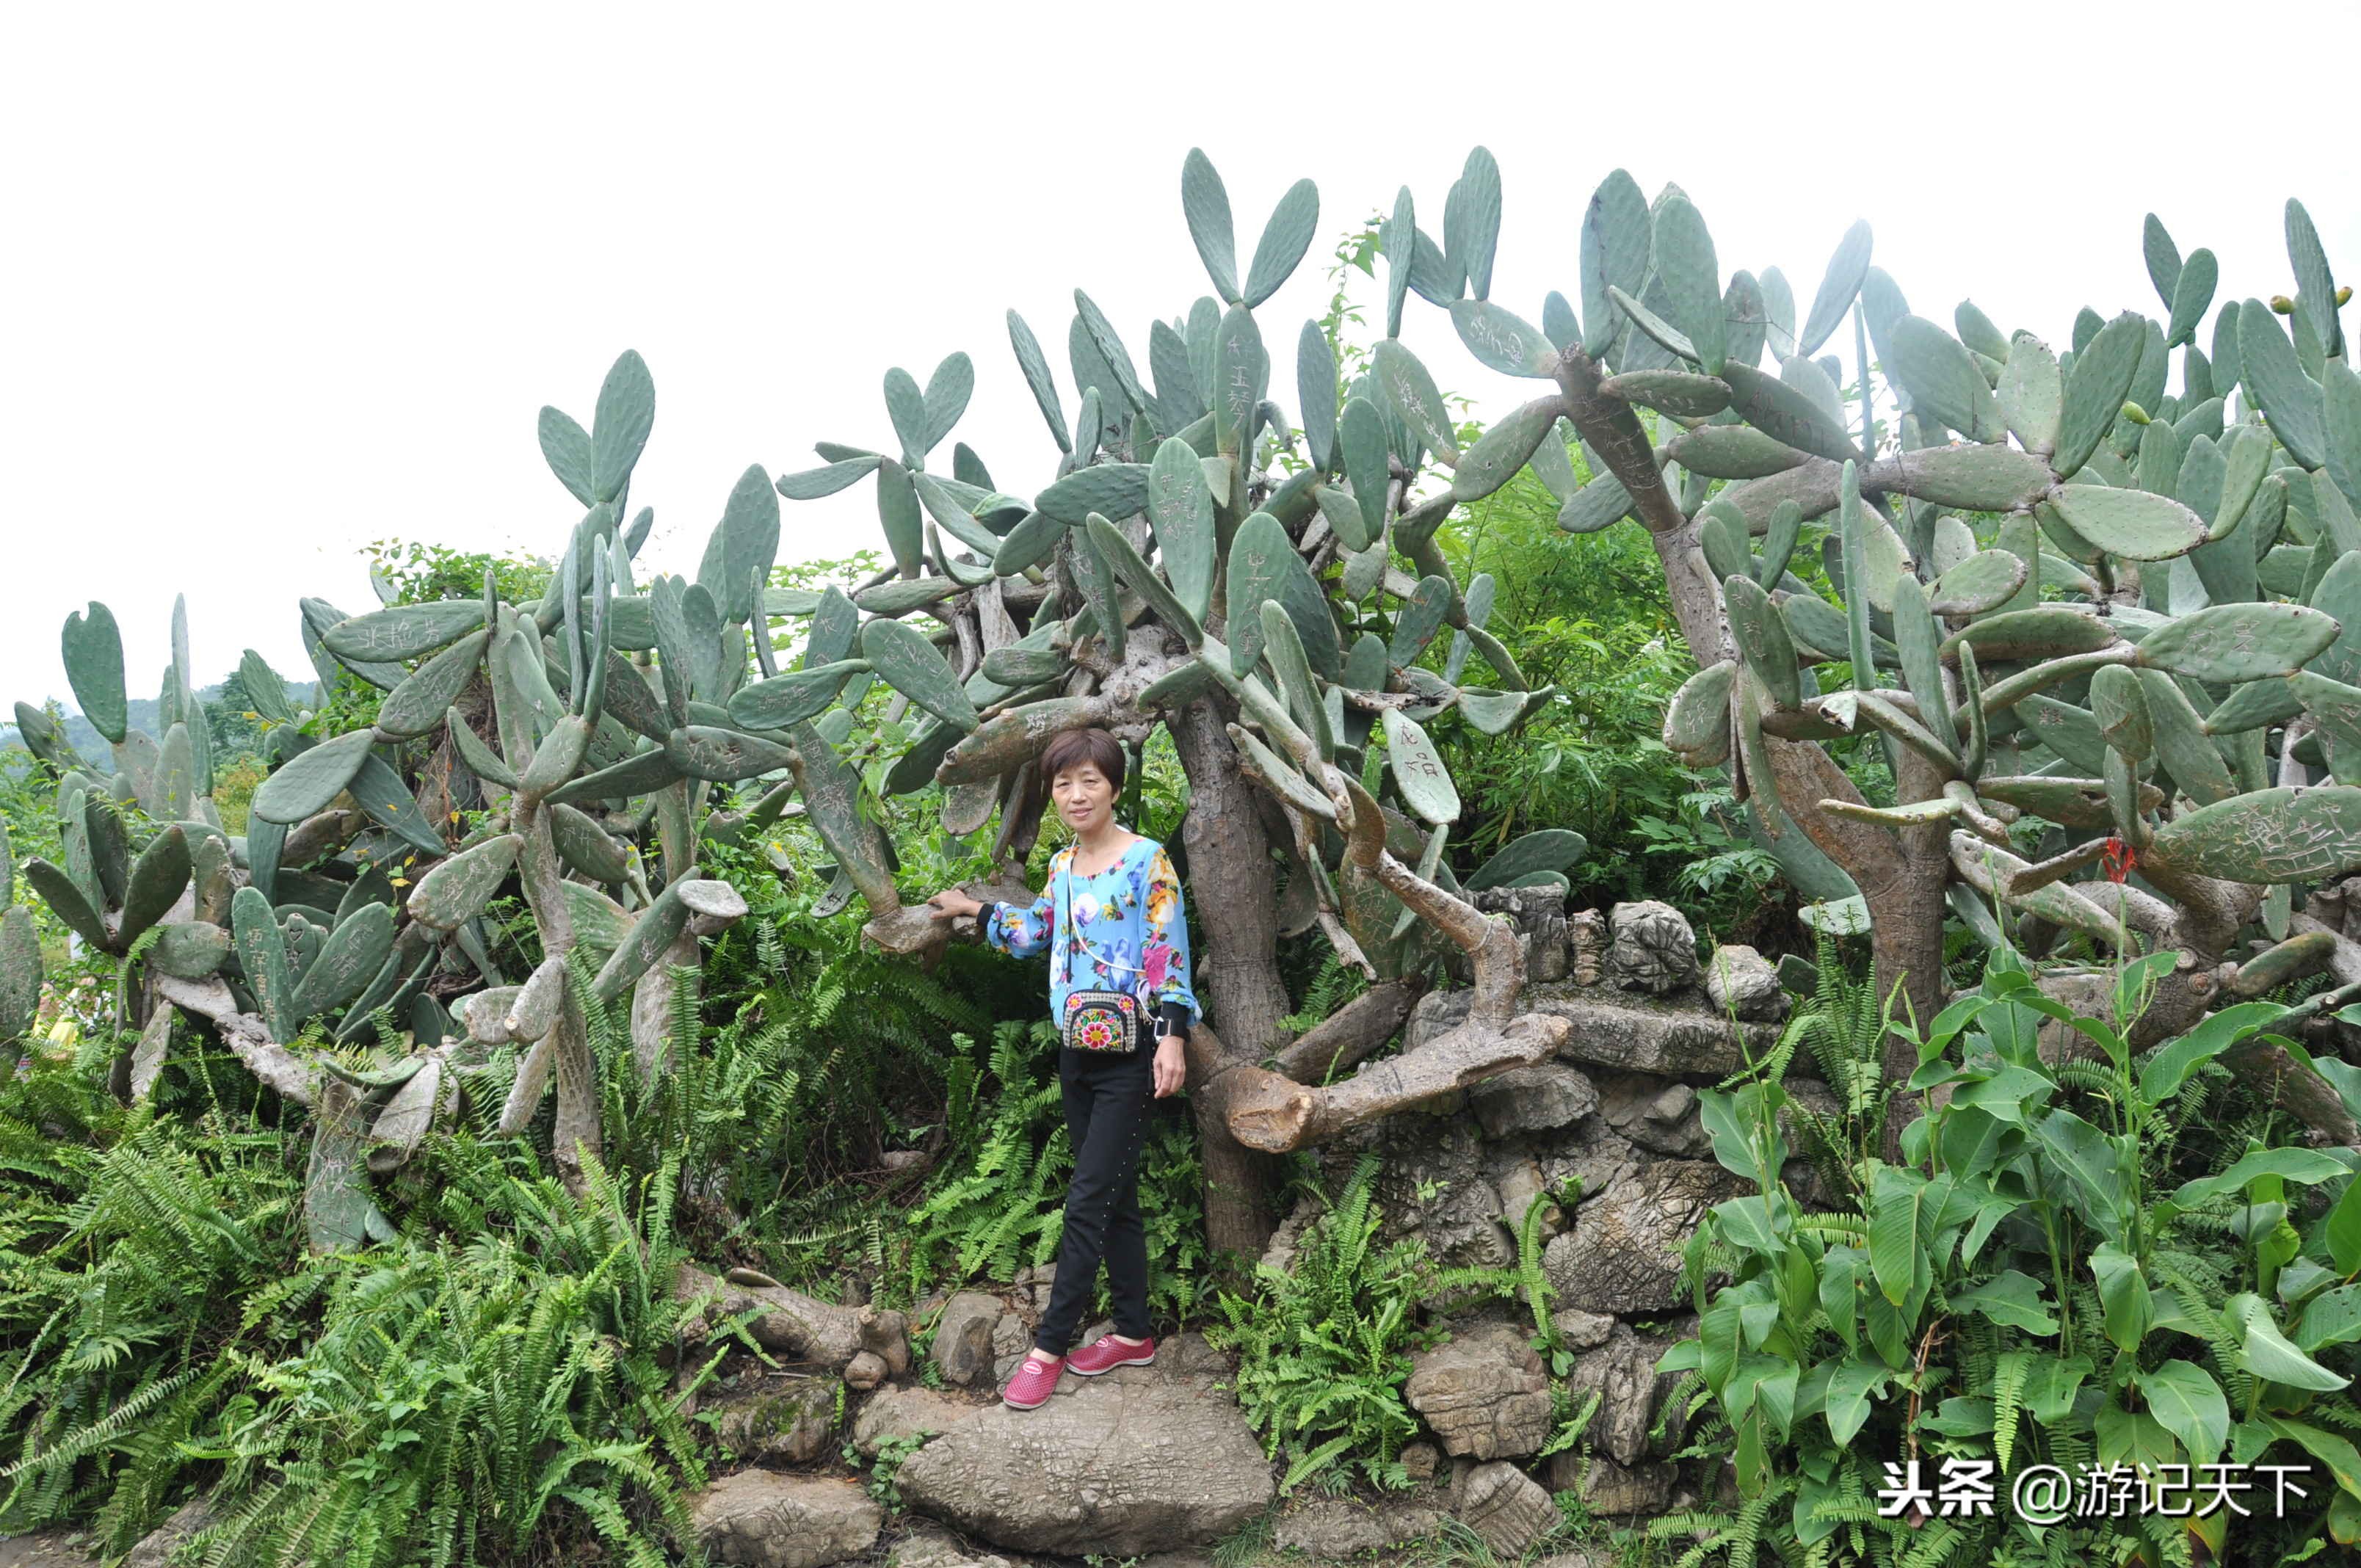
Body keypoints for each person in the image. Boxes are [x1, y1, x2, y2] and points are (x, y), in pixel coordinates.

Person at [927, 727, 1198, 1411]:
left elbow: (1169, 953)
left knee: (1085, 1199)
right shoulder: (1061, 866)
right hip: (1078, 1047)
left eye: (1091, 781)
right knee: (1113, 1200)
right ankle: (1134, 1333)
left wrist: (1172, 1039)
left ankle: (1049, 1348)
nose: (1077, 795)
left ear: (1114, 787)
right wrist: (976, 911)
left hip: (1132, 1051)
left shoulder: (1147, 861)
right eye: (1063, 783)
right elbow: (1037, 933)